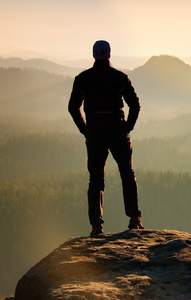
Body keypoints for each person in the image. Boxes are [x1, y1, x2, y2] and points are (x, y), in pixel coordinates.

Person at [68, 40, 144, 237]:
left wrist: (85, 130)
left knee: (96, 178)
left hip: (95, 130)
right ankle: (135, 219)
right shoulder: (119, 77)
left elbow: (72, 107)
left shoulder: (83, 79)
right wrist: (127, 127)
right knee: (127, 174)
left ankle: (96, 225)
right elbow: (135, 105)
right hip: (117, 129)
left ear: (94, 55)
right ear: (109, 54)